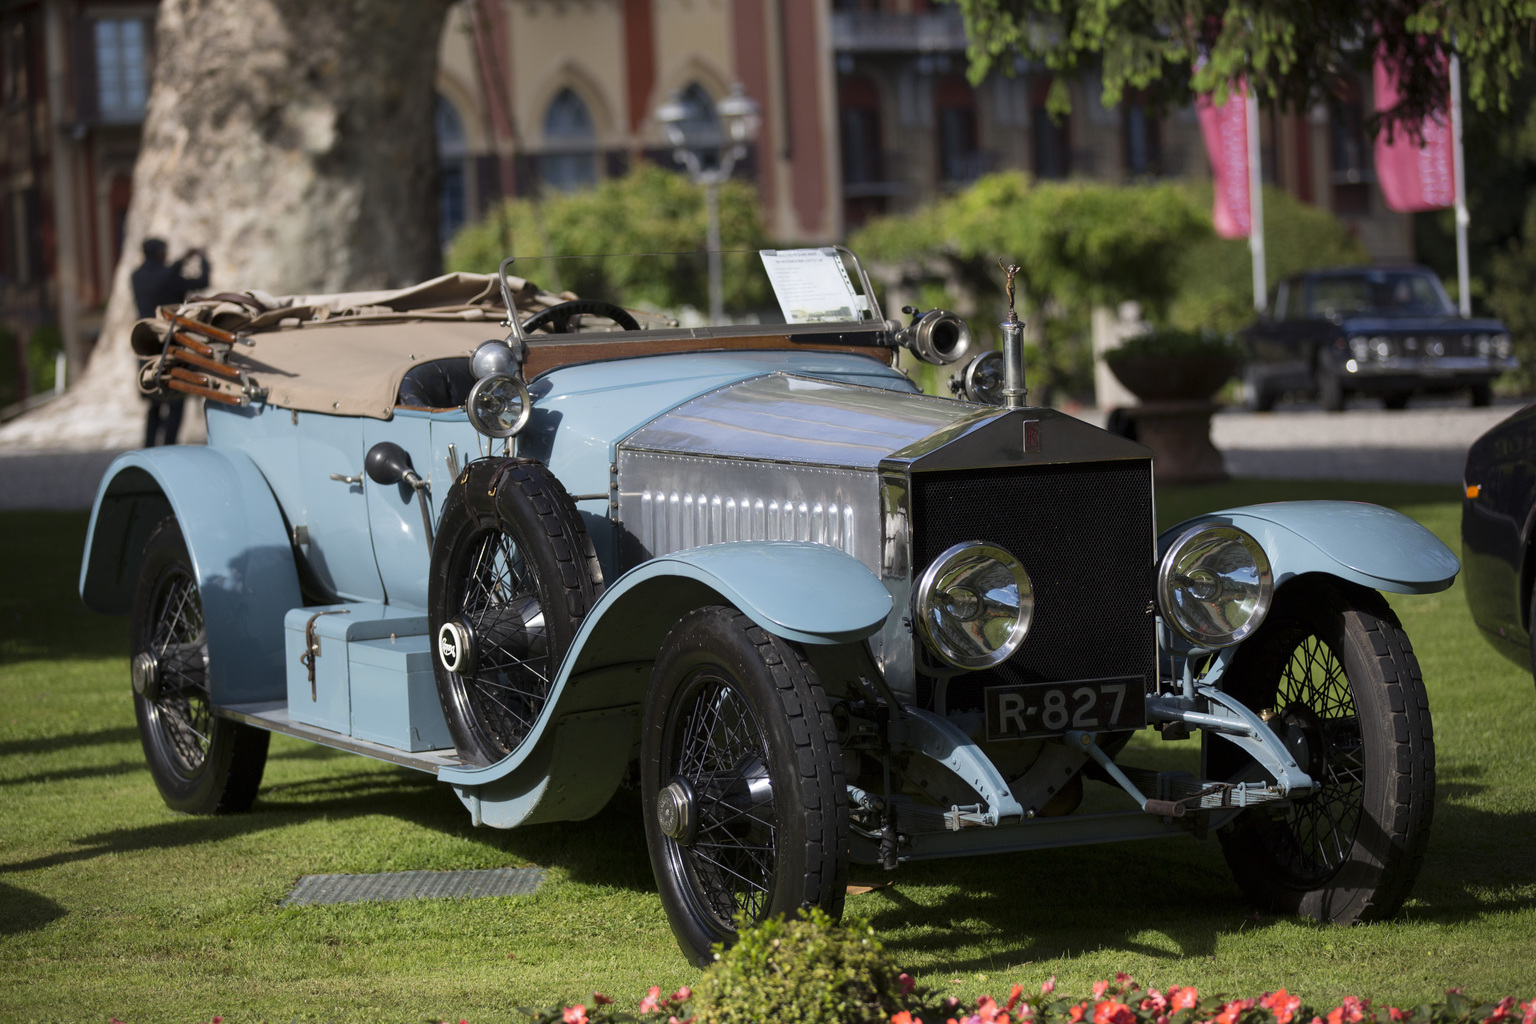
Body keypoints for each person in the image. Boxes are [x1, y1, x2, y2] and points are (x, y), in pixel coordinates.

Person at [131, 238, 210, 446]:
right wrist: (201, 259)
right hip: (172, 345)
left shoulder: (137, 276)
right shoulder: (169, 278)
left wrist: (180, 262)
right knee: (176, 400)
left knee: (154, 403)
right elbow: (203, 281)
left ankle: (148, 447)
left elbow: (163, 277)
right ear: (159, 253)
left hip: (146, 345)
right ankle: (169, 446)